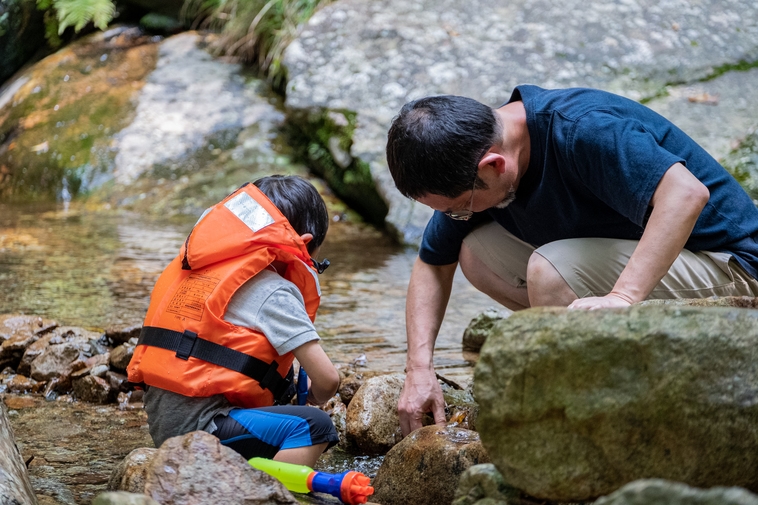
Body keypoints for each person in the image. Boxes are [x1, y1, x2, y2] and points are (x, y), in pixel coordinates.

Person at [385, 85, 758, 436]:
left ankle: (593, 416)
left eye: (460, 209)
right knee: (476, 253)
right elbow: (433, 264)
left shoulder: (583, 128)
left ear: (494, 165)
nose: (458, 216)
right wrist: (419, 369)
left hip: (731, 266)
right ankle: (609, 376)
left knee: (550, 269)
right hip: (662, 267)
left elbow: (687, 194)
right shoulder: (473, 159)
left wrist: (623, 298)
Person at [127, 175, 340, 468]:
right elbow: (328, 380)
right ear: (304, 245)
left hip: (163, 426)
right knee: (315, 427)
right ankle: (270, 493)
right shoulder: (275, 290)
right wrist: (314, 397)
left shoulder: (196, 267)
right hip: (204, 431)